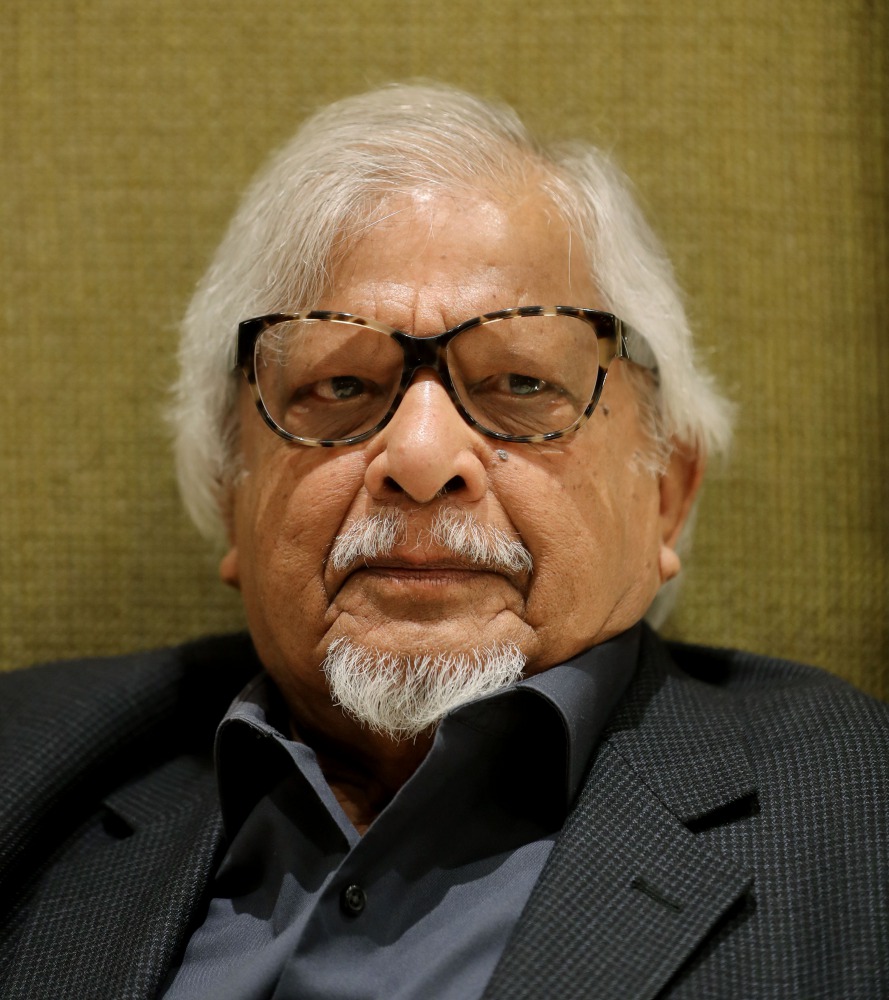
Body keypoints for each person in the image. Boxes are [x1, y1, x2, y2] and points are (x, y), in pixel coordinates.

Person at [1, 83, 886, 1000]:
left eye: (520, 383)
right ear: (233, 494)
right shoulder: (25, 763)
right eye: (340, 387)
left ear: (665, 492)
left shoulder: (858, 819)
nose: (421, 459)